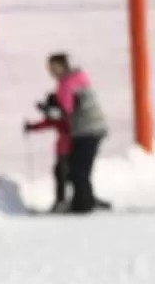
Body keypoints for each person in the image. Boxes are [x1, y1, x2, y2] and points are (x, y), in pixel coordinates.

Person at [46, 53, 109, 213]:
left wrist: (51, 108)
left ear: (62, 66)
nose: (51, 71)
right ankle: (86, 198)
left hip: (84, 129)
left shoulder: (66, 84)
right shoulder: (80, 77)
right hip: (96, 126)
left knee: (78, 168)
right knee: (83, 167)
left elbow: (67, 110)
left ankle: (82, 204)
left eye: (53, 67)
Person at [24, 92, 72, 212]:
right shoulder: (58, 117)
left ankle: (65, 200)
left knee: (66, 174)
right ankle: (61, 200)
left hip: (71, 150)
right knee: (60, 173)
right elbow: (46, 123)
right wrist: (32, 127)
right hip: (62, 150)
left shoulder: (68, 116)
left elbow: (50, 121)